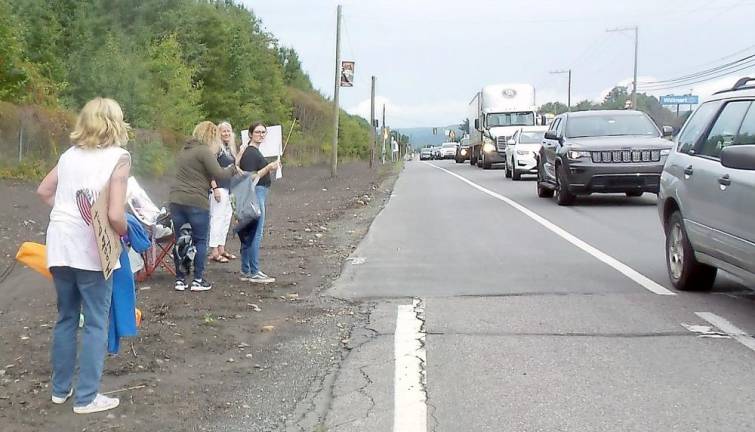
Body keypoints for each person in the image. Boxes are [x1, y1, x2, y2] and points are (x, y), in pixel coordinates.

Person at [37, 97, 131, 414]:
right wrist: (122, 231)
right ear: (115, 123)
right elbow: (116, 214)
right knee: (95, 322)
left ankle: (60, 390)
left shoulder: (68, 156)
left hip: (60, 243)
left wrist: (69, 215)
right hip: (93, 250)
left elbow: (44, 191)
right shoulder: (119, 157)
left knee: (65, 317)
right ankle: (88, 397)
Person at [169, 121, 236, 291]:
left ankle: (180, 279)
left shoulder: (184, 150)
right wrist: (233, 168)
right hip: (196, 201)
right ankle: (198, 279)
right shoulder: (204, 151)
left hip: (176, 200)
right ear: (211, 136)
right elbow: (219, 173)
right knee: (199, 240)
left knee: (181, 239)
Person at [237, 122, 280, 283]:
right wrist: (268, 167)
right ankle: (254, 271)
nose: (261, 135)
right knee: (255, 233)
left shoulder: (254, 152)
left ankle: (246, 270)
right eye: (257, 132)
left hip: (257, 194)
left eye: (263, 132)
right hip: (255, 195)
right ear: (250, 134)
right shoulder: (250, 153)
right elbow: (250, 178)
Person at [208, 121, 237, 263]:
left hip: (229, 188)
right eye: (223, 131)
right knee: (217, 218)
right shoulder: (216, 148)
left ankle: (221, 247)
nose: (226, 133)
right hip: (218, 187)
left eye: (228, 131)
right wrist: (214, 188)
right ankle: (213, 250)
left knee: (226, 218)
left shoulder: (230, 148)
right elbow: (209, 169)